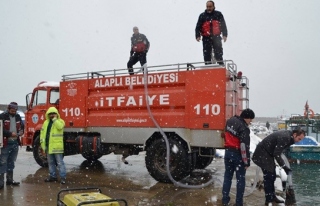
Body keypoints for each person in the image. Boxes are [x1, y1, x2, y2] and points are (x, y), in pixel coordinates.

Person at [252, 129, 305, 205]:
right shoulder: (286, 137)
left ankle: (272, 197)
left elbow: (278, 151)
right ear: (295, 134)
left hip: (267, 153)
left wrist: (284, 165)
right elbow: (276, 154)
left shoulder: (289, 137)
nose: (299, 141)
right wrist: (284, 166)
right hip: (262, 153)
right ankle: (269, 200)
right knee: (269, 176)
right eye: (299, 139)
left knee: (272, 175)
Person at [222, 108, 255, 206]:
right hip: (238, 155)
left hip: (228, 153)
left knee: (227, 177)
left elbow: (225, 134)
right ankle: (239, 203)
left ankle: (225, 200)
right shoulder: (244, 128)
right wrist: (246, 162)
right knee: (240, 179)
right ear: (247, 118)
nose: (251, 122)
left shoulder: (230, 121)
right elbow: (244, 147)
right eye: (251, 119)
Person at [0, 102, 24, 189]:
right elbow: (0, 130)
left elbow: (22, 126)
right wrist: (9, 133)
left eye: (15, 111)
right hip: (6, 143)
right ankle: (1, 182)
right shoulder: (2, 116)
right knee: (2, 162)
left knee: (11, 162)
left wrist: (21, 131)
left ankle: (9, 180)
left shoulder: (17, 116)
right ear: (8, 109)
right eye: (12, 110)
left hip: (15, 143)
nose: (14, 112)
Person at [195, 1, 228, 65]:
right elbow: (198, 27)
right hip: (206, 37)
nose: (208, 8)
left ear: (213, 6)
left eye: (210, 6)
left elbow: (223, 25)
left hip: (216, 37)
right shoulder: (202, 16)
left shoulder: (218, 14)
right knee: (206, 53)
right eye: (207, 6)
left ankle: (220, 65)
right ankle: (208, 66)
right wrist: (197, 35)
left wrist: (225, 35)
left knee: (218, 52)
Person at [40, 107, 67, 184]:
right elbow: (42, 134)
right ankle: (53, 176)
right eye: (50, 114)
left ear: (57, 114)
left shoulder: (60, 121)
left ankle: (63, 177)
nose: (52, 115)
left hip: (57, 147)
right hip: (48, 146)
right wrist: (43, 145)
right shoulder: (45, 123)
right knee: (50, 162)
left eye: (53, 113)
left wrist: (55, 120)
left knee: (60, 163)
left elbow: (60, 127)